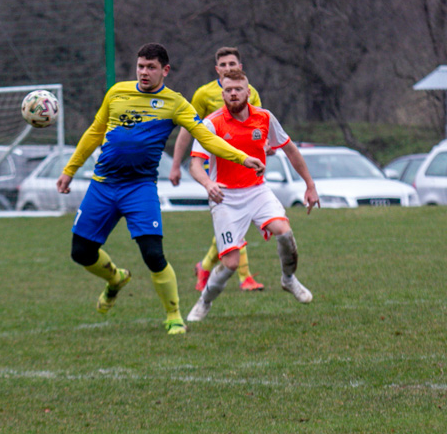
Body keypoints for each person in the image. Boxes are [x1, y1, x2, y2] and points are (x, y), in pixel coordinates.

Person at [56, 43, 264, 335]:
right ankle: (116, 280)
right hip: (103, 185)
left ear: (165, 71)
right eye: (141, 66)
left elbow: (206, 137)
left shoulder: (175, 103)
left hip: (139, 188)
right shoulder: (117, 93)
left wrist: (242, 157)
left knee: (153, 254)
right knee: (81, 252)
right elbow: (95, 131)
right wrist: (69, 170)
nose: (144, 72)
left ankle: (174, 316)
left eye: (151, 67)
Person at [182, 69, 319, 323]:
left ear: (248, 92)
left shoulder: (264, 118)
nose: (233, 94)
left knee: (285, 231)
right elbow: (195, 165)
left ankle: (288, 279)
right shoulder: (211, 123)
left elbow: (289, 149)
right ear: (222, 93)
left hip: (257, 190)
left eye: (238, 89)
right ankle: (205, 301)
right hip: (224, 197)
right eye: (228, 90)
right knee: (231, 264)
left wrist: (309, 184)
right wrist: (208, 183)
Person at [170, 47, 265, 292]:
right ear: (216, 69)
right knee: (234, 220)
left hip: (242, 165)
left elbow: (258, 123)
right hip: (214, 168)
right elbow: (186, 129)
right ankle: (245, 277)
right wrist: (175, 165)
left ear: (240, 66)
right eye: (222, 64)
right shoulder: (204, 94)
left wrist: (265, 147)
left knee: (231, 223)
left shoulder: (249, 91)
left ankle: (204, 267)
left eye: (231, 63)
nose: (227, 67)